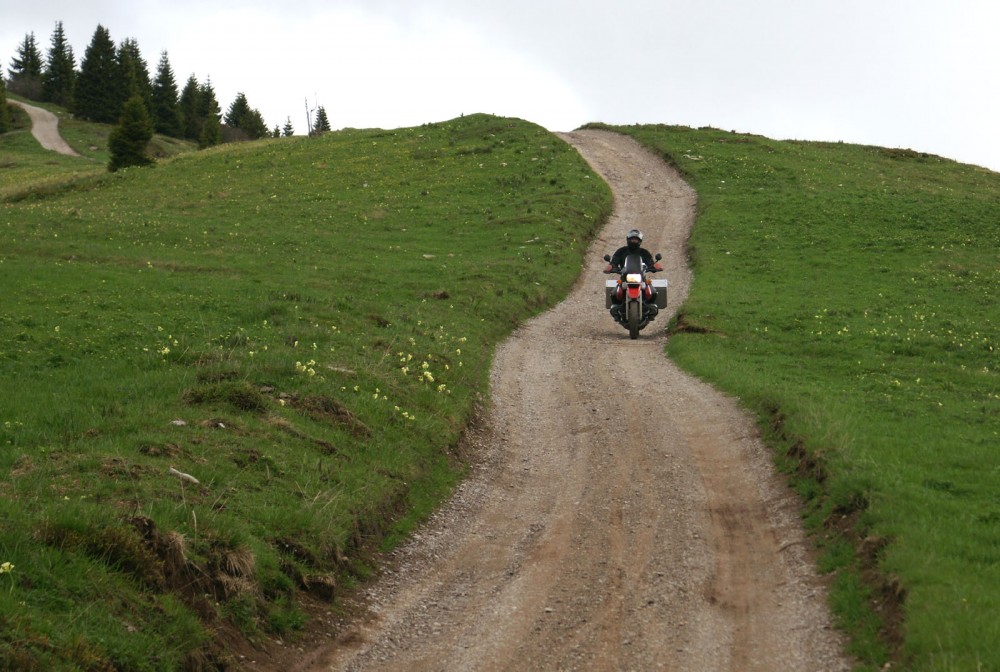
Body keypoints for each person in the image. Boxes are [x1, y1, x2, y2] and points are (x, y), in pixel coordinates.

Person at [606, 229, 661, 322]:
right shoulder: (621, 251)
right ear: (628, 239)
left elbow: (650, 262)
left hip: (640, 278)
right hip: (625, 278)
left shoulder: (644, 252)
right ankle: (615, 311)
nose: (634, 241)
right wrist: (610, 266)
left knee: (653, 291)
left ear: (640, 241)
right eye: (632, 239)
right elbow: (614, 262)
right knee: (614, 293)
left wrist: (655, 266)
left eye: (636, 239)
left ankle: (651, 309)